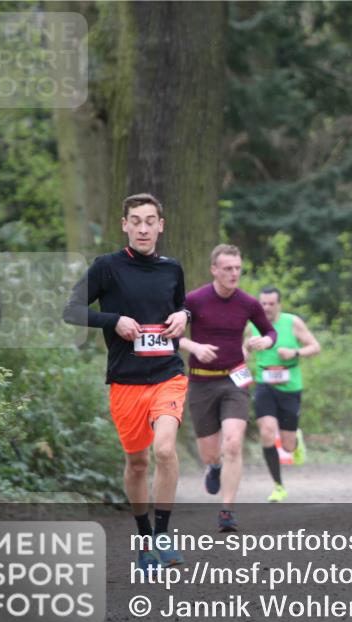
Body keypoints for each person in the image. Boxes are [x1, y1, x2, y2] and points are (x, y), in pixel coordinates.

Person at [63, 192, 190, 572]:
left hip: (168, 374)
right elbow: (71, 310)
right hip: (126, 381)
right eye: (136, 221)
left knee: (164, 450)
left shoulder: (172, 269)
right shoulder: (107, 267)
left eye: (150, 221)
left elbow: (179, 309)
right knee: (137, 463)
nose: (143, 229)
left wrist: (184, 315)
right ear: (125, 225)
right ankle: (145, 540)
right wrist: (113, 320)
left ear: (160, 226)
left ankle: (163, 536)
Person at [178, 245, 276, 532]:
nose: (234, 273)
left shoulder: (248, 303)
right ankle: (214, 467)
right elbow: (169, 332)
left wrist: (266, 341)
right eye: (228, 268)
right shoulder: (194, 300)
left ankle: (227, 511)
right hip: (201, 381)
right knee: (211, 453)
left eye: (238, 268)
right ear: (214, 270)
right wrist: (194, 346)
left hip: (235, 380)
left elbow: (269, 330)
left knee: (233, 444)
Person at [245, 286, 321, 502]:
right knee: (267, 431)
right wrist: (247, 348)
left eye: (271, 304)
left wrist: (294, 352)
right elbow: (244, 351)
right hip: (264, 384)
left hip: (290, 387)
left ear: (279, 304)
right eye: (263, 304)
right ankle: (278, 486)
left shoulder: (292, 322)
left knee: (287, 445)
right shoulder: (252, 325)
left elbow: (315, 347)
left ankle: (295, 441)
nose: (266, 308)